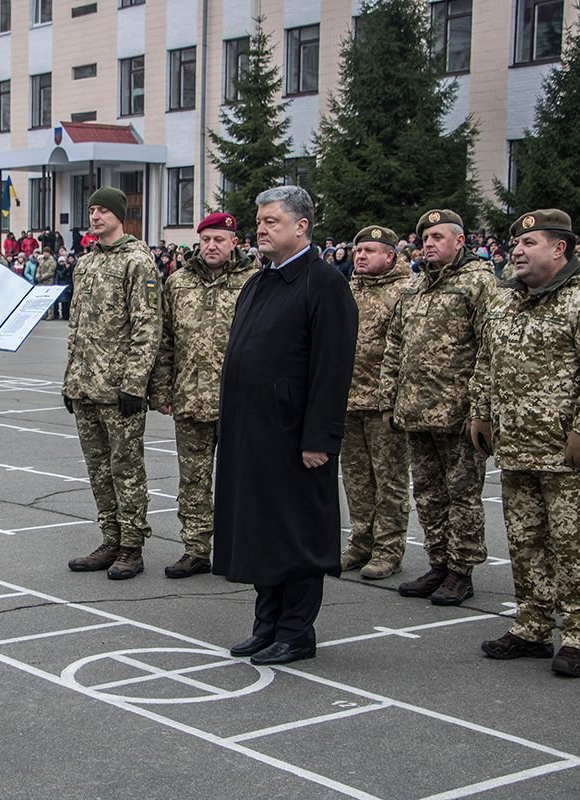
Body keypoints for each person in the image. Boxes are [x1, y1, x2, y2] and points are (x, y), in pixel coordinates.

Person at [472, 209, 580, 678]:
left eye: (529, 244)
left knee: (573, 545)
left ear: (560, 249)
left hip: (568, 452)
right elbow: (486, 359)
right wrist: (480, 411)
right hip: (517, 447)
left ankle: (579, 635)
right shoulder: (505, 301)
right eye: (515, 244)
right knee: (525, 541)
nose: (516, 251)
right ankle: (533, 626)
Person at [213, 186, 358, 665]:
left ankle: (297, 631)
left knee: (295, 533)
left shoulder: (324, 283)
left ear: (302, 226)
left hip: (295, 436)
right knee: (261, 530)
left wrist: (320, 438)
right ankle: (267, 623)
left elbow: (332, 369)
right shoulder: (259, 282)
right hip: (251, 434)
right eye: (260, 221)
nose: (261, 229)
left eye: (272, 221)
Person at [379, 209, 496, 606]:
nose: (428, 243)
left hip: (457, 414)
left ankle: (461, 571)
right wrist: (388, 398)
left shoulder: (478, 283)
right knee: (428, 493)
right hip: (415, 410)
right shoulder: (414, 288)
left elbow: (489, 350)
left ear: (460, 242)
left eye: (437, 237)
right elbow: (395, 345)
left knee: (462, 495)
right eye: (424, 238)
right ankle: (439, 562)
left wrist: (481, 410)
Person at [148, 212, 256, 578]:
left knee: (240, 482)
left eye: (219, 240)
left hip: (238, 404)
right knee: (192, 481)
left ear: (234, 243)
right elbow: (166, 343)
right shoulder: (178, 283)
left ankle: (239, 550)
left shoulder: (253, 282)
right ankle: (196, 549)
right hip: (190, 399)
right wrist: (162, 389)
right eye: (206, 240)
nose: (211, 246)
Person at [63, 186, 161, 580]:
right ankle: (110, 537)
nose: (95, 216)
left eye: (103, 210)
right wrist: (70, 379)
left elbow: (147, 326)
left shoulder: (137, 262)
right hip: (85, 385)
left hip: (119, 390)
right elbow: (77, 329)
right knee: (98, 469)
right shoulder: (85, 264)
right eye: (92, 210)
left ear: (121, 216)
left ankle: (131, 546)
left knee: (126, 468)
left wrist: (135, 384)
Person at [339, 226, 412, 580]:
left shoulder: (406, 291)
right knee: (355, 479)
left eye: (370, 250)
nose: (361, 256)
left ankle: (388, 548)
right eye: (358, 249)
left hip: (384, 405)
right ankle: (360, 540)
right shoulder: (348, 289)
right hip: (348, 399)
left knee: (390, 481)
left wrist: (392, 400)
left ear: (390, 256)